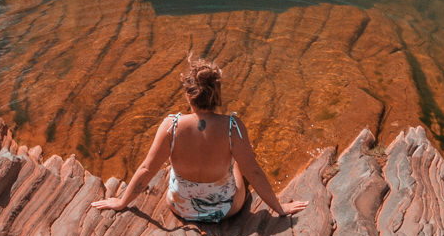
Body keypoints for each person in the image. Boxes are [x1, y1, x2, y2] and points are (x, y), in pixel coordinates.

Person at [91, 56, 309, 223]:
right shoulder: (233, 127)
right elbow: (254, 171)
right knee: (237, 165)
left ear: (188, 94)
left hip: (181, 207)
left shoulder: (171, 126)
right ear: (217, 94)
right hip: (225, 210)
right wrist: (279, 208)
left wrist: (121, 203)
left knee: (170, 162)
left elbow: (146, 169)